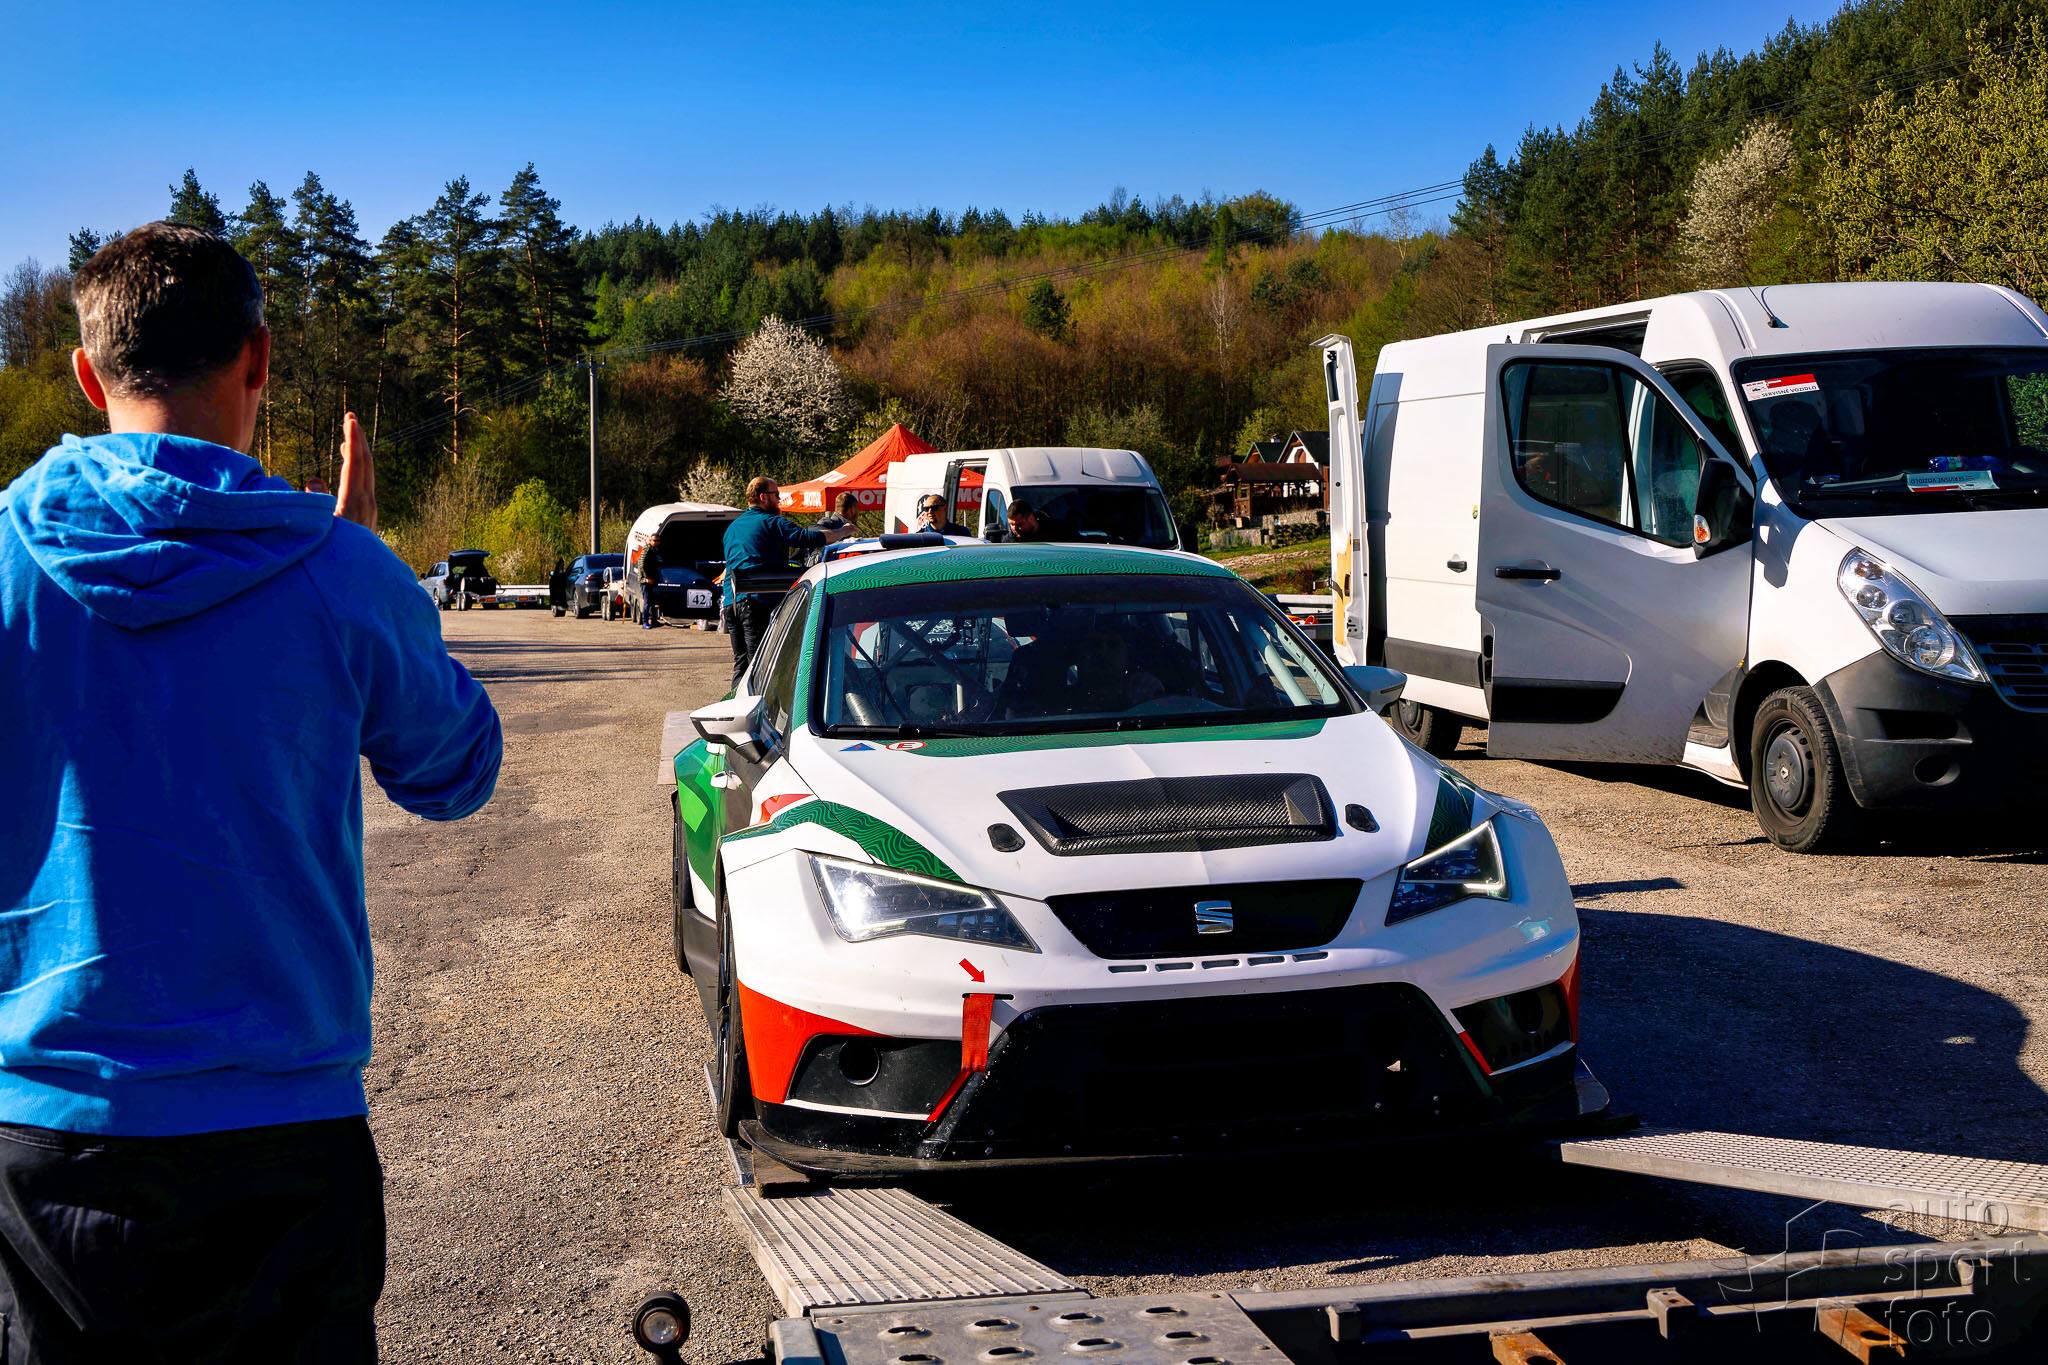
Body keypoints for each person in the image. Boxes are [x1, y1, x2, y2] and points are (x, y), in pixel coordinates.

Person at [0, 222, 502, 1360]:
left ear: (87, 375)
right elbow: (457, 774)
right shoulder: (339, 572)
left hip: (44, 1129)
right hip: (282, 1135)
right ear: (259, 359)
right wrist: (375, 589)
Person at [722, 476, 848, 684]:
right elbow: (809, 538)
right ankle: (755, 704)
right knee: (759, 669)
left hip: (732, 602)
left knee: (742, 665)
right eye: (776, 495)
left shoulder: (733, 528)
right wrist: (843, 531)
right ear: (763, 497)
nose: (779, 500)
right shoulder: (772, 523)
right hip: (756, 602)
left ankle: (736, 700)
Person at [807, 491, 863, 565]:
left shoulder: (842, 525)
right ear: (852, 509)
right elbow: (812, 530)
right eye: (857, 509)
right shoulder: (830, 522)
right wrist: (843, 531)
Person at [1004, 498, 1075, 543]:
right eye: (1012, 524)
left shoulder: (1059, 532)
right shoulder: (1009, 543)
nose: (1015, 528)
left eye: (1019, 524)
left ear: (1031, 518)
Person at [639, 541, 663, 629]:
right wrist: (646, 578)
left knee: (652, 601)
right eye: (655, 541)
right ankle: (644, 622)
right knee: (647, 602)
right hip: (646, 581)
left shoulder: (654, 550)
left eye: (658, 541)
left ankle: (653, 621)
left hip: (653, 580)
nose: (657, 542)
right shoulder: (647, 550)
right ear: (650, 541)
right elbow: (641, 564)